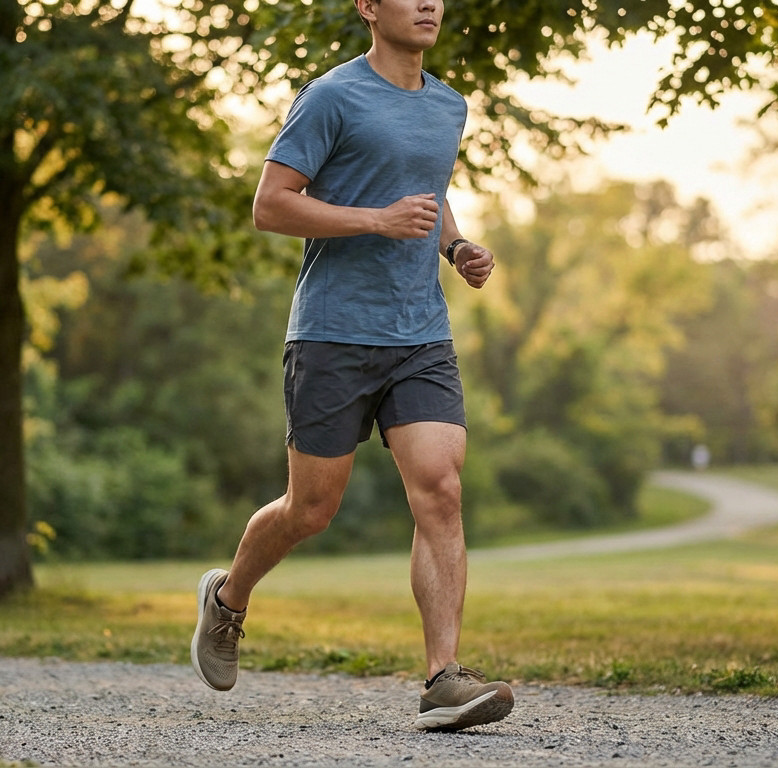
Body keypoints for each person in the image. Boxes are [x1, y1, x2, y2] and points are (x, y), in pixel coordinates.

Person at [189, 0, 513, 732]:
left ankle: (443, 679)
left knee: (441, 488)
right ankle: (228, 598)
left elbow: (427, 192)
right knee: (311, 510)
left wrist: (454, 246)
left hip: (419, 333)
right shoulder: (332, 96)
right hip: (333, 333)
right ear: (369, 6)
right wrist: (373, 220)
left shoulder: (449, 106)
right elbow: (271, 205)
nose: (430, 3)